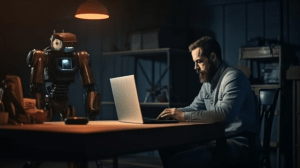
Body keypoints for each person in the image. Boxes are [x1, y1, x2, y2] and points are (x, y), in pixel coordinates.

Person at [157, 36, 258, 168]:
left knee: (178, 161)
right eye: (194, 62)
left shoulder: (233, 77)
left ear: (213, 57)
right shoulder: (208, 83)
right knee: (165, 145)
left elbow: (224, 114)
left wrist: (183, 116)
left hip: (239, 145)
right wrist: (173, 113)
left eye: (199, 61)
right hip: (216, 141)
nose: (195, 67)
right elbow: (194, 107)